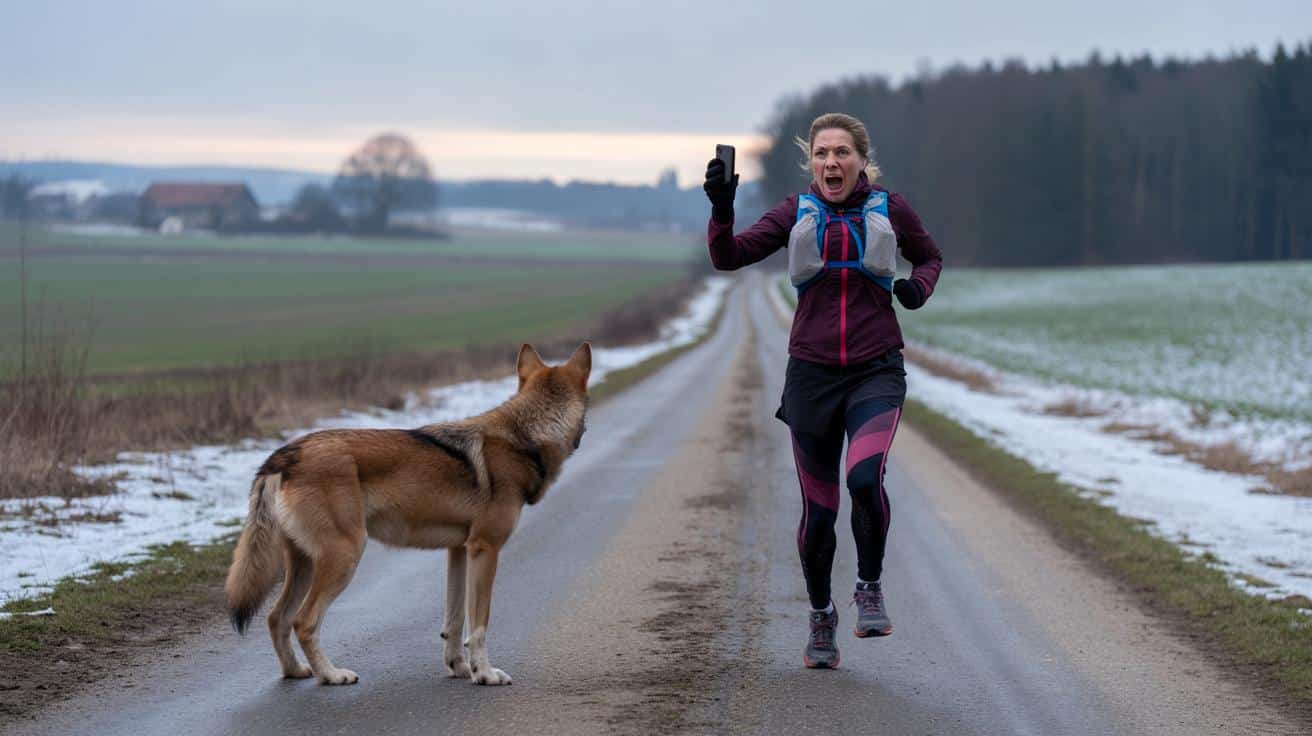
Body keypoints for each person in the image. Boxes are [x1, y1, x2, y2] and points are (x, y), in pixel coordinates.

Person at [703, 112, 942, 669]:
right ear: (810, 161)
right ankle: (820, 617)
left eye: (841, 153)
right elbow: (727, 257)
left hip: (875, 370)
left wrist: (917, 288)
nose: (831, 162)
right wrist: (721, 208)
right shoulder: (795, 212)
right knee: (819, 510)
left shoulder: (891, 208)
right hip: (811, 376)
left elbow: (930, 256)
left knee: (864, 477)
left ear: (862, 160)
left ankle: (869, 587)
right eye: (821, 153)